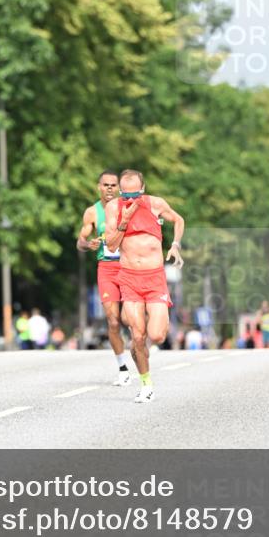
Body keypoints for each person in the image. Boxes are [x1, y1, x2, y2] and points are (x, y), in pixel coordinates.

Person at [104, 169, 184, 404]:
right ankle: (146, 385)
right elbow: (111, 246)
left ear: (143, 189)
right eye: (126, 196)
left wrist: (175, 245)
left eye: (135, 195)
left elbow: (178, 220)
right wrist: (125, 220)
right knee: (138, 337)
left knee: (157, 335)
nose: (130, 200)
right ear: (120, 192)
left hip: (154, 278)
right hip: (129, 278)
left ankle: (140, 350)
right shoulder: (114, 208)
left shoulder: (155, 204)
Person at [77, 170, 134, 385]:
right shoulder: (92, 212)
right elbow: (80, 241)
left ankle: (139, 352)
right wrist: (88, 244)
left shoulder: (128, 207)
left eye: (113, 185)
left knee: (131, 318)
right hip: (107, 268)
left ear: (119, 188)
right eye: (105, 185)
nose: (109, 188)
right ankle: (123, 368)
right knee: (113, 320)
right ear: (99, 187)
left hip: (129, 266)